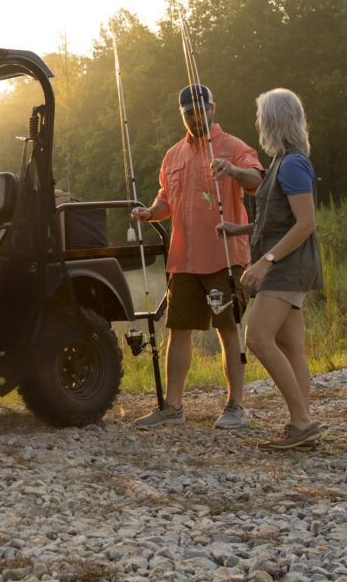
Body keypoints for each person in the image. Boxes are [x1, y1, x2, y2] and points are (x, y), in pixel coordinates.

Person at [133, 84, 264, 430]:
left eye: (201, 110)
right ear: (183, 115)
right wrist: (150, 212)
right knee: (177, 329)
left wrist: (234, 171)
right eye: (189, 112)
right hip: (184, 261)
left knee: (227, 328)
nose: (196, 117)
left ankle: (236, 405)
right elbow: (166, 199)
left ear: (213, 108)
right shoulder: (173, 154)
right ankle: (173, 407)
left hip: (223, 258)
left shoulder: (234, 147)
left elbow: (258, 181)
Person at [216, 88, 323, 450]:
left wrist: (265, 261)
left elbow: (306, 222)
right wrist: (241, 230)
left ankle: (303, 421)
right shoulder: (280, 162)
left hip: (287, 268)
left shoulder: (293, 163)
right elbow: (278, 220)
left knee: (257, 338)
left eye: (261, 116)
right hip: (285, 265)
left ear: (274, 121)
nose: (257, 122)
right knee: (291, 346)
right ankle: (301, 423)